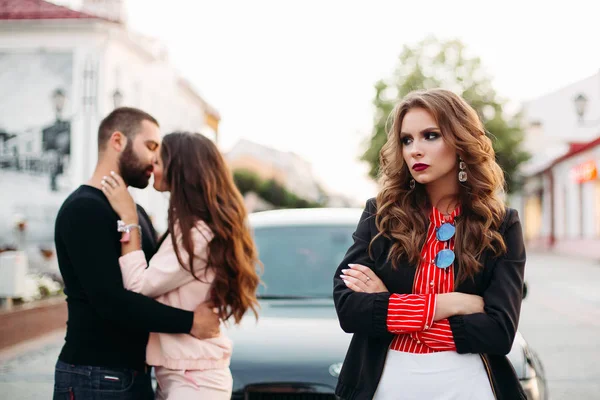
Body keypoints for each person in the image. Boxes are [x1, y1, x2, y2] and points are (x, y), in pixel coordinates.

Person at [333, 89, 527, 400]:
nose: (415, 150)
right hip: (385, 384)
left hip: (469, 386)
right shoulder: (380, 214)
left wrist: (388, 305)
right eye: (407, 140)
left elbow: (499, 332)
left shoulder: (501, 223)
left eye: (430, 136)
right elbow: (349, 308)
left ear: (460, 141)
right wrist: (452, 304)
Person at [53, 108, 221, 400]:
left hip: (133, 373)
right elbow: (111, 302)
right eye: (151, 147)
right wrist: (191, 322)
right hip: (94, 374)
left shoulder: (135, 213)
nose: (156, 160)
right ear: (118, 141)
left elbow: (155, 282)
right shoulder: (83, 209)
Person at [100, 131, 260, 399]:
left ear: (180, 173)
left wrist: (128, 219)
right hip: (184, 375)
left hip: (195, 381)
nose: (152, 166)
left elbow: (137, 286)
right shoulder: (190, 227)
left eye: (159, 162)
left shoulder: (198, 235)